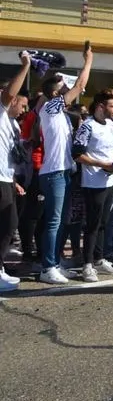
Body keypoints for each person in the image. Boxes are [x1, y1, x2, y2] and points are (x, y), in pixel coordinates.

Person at [38, 43, 94, 284]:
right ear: (54, 95)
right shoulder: (50, 108)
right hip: (53, 174)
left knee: (60, 221)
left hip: (62, 173)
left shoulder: (60, 113)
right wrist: (88, 60)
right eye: (62, 88)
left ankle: (55, 263)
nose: (67, 90)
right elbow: (80, 85)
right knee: (53, 222)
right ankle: (47, 267)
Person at [72, 89, 113, 282]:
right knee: (92, 224)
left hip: (109, 180)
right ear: (101, 106)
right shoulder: (87, 126)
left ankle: (99, 259)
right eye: (112, 106)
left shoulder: (110, 124)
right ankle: (87, 264)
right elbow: (77, 154)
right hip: (93, 182)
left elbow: (109, 150)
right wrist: (102, 165)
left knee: (103, 222)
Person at [0, 52, 31, 291]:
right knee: (7, 225)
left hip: (6, 179)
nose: (24, 109)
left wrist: (14, 180)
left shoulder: (11, 123)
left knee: (9, 225)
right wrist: (26, 66)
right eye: (22, 105)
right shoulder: (0, 111)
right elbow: (9, 94)